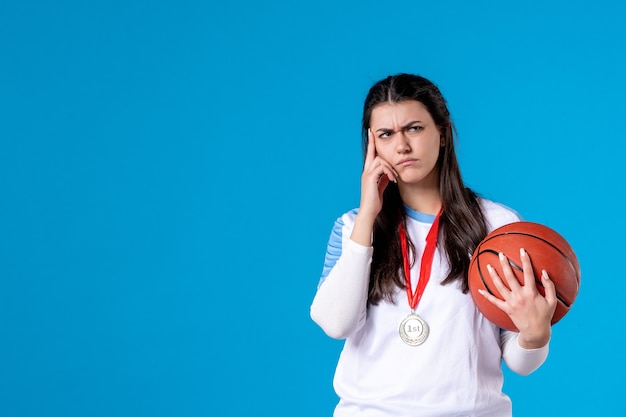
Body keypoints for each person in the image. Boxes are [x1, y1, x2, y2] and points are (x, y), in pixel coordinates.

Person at [310, 73, 557, 417]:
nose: (402, 146)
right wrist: (368, 214)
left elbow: (521, 362)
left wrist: (534, 334)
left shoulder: (499, 226)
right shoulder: (354, 227)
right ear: (372, 146)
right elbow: (336, 325)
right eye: (386, 134)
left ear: (442, 133)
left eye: (414, 128)